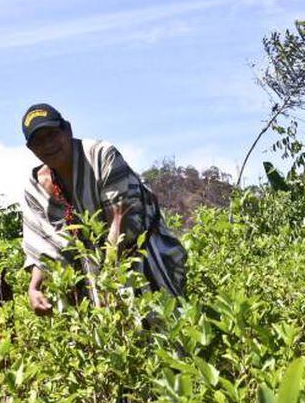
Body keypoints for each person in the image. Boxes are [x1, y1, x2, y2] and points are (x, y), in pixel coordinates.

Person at [18, 103, 186, 315]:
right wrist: (34, 288)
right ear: (30, 149)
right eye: (39, 141)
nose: (48, 145)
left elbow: (120, 217)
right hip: (94, 271)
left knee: (163, 326)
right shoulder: (35, 189)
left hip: (141, 256)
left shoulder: (101, 156)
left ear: (67, 129)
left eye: (52, 134)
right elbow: (43, 247)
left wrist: (109, 279)